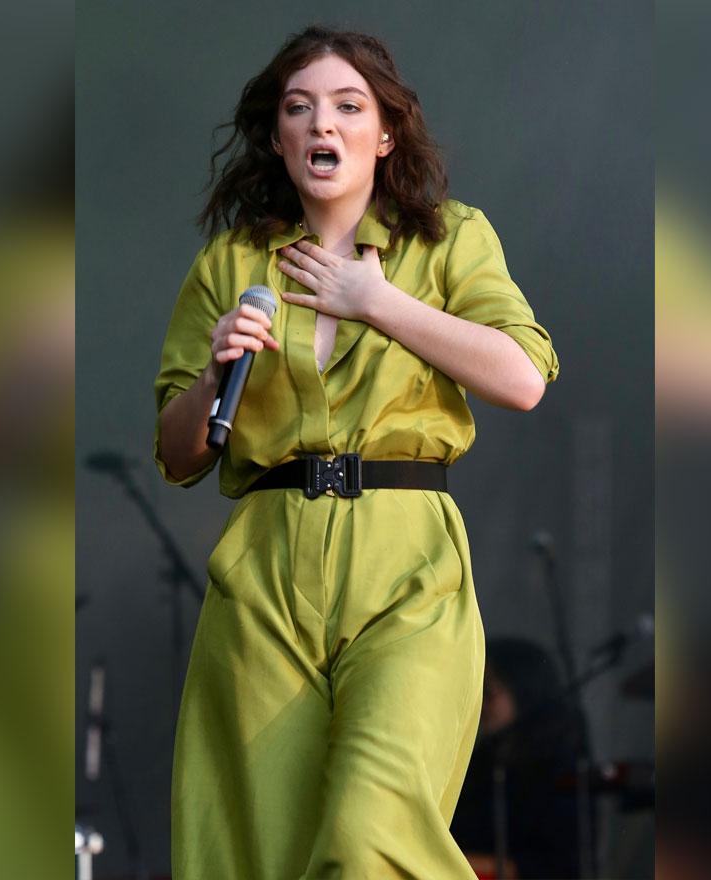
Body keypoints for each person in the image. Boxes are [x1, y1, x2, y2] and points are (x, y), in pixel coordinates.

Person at [153, 25, 559, 879]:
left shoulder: (447, 238)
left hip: (405, 561)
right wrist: (219, 364)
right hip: (266, 570)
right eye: (299, 109)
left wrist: (376, 301)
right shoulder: (232, 263)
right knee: (261, 850)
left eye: (347, 106)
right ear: (278, 137)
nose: (321, 125)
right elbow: (178, 450)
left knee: (371, 834)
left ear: (385, 134)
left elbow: (522, 376)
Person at [451, 638, 594, 879]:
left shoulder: (558, 766)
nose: (480, 703)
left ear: (523, 689)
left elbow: (557, 864)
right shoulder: (484, 760)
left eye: (488, 691)